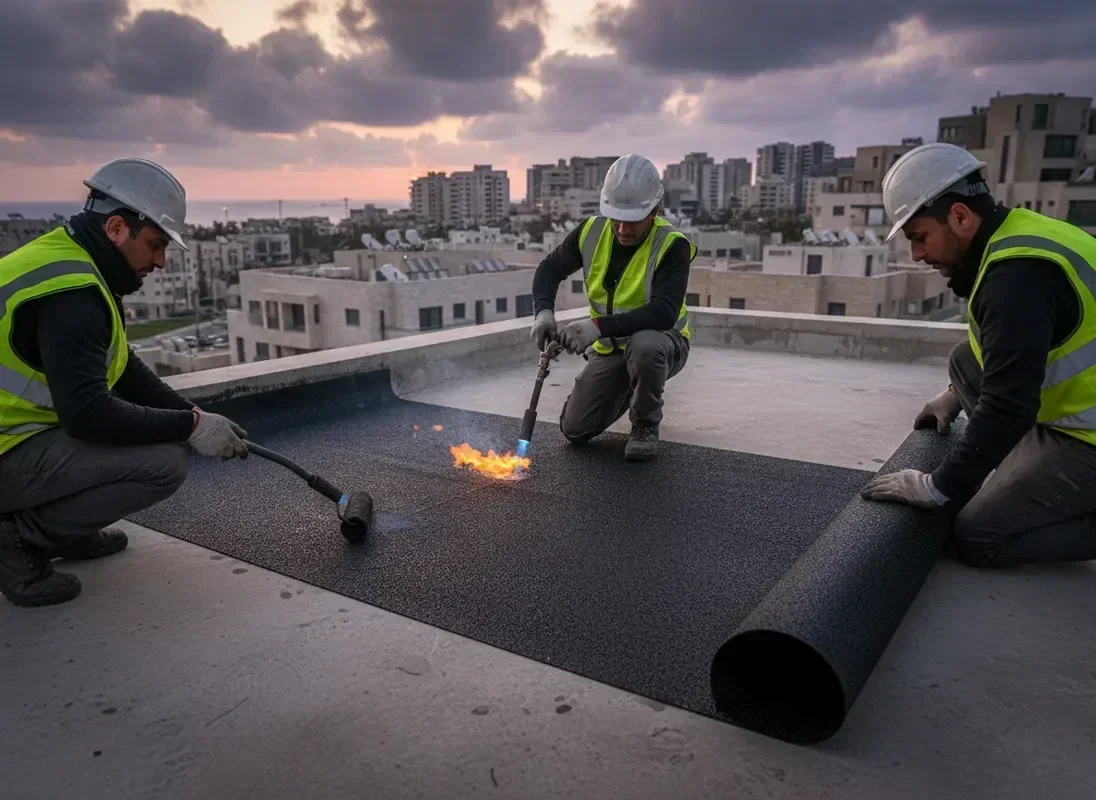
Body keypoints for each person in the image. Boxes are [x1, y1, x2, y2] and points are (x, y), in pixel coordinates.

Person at [0, 157, 250, 608]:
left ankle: (65, 532)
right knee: (163, 463)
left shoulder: (71, 257)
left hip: (15, 438)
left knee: (160, 442)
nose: (159, 260)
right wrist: (189, 431)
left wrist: (194, 415)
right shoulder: (71, 295)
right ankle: (17, 539)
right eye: (155, 244)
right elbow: (88, 415)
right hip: (7, 448)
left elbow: (123, 368)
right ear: (117, 228)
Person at [861, 141, 1096, 568]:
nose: (917, 255)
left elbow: (1008, 407)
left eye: (919, 237)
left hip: (1090, 438)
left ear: (960, 217)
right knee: (964, 362)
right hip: (1076, 409)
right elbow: (1009, 354)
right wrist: (955, 392)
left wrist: (935, 486)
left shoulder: (1015, 281)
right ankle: (1024, 466)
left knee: (977, 535)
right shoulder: (1015, 234)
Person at [529, 153, 697, 461]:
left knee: (645, 346)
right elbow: (549, 269)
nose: (622, 229)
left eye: (632, 221)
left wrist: (596, 328)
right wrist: (543, 312)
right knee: (575, 429)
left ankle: (645, 423)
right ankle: (629, 383)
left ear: (655, 210)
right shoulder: (592, 231)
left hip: (663, 344)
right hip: (611, 348)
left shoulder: (672, 245)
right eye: (616, 218)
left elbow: (664, 312)